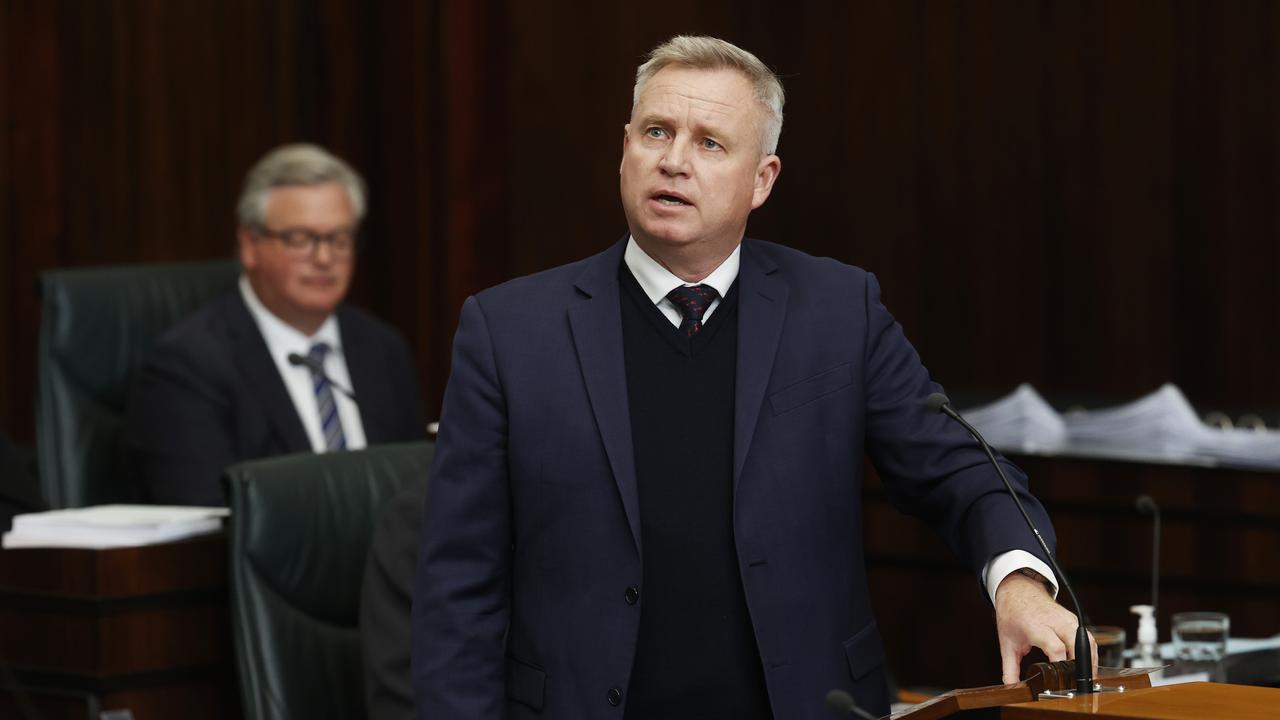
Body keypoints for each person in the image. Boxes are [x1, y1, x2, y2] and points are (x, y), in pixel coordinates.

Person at [413, 37, 1086, 719]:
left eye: (710, 143)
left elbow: (960, 472)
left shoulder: (836, 311)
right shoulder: (509, 331)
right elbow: (457, 586)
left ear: (761, 180)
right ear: (624, 149)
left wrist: (1020, 583)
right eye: (656, 131)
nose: (674, 159)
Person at [127, 144, 425, 506]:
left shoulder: (382, 348)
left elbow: (419, 490)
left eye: (339, 238)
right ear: (250, 245)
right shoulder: (189, 365)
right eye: (300, 239)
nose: (324, 258)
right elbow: (208, 518)